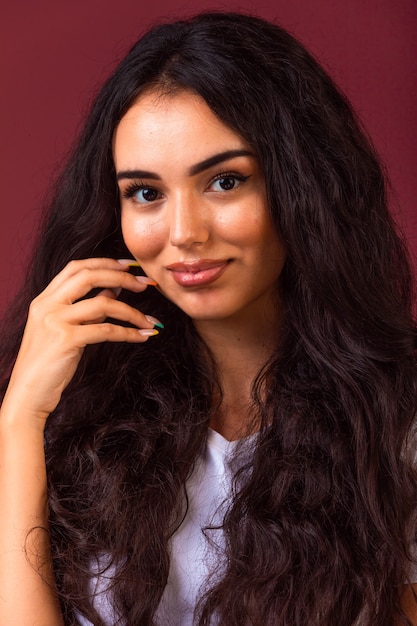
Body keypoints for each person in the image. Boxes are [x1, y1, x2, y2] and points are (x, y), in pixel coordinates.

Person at [0, 10, 416, 626]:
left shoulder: (395, 420)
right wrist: (19, 419)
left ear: (301, 186)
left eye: (225, 181)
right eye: (146, 192)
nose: (183, 234)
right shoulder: (80, 406)